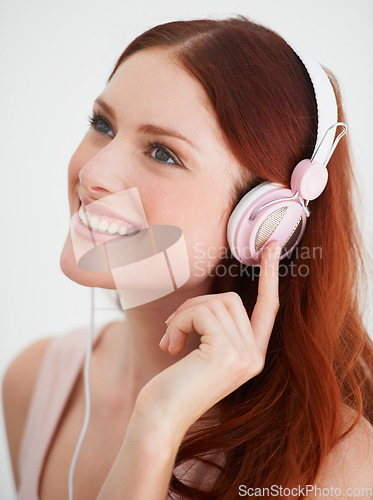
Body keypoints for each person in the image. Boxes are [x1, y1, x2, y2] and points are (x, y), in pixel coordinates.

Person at [2, 15, 373, 500]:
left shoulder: (336, 466)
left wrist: (158, 420)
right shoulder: (34, 382)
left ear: (263, 221)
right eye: (102, 125)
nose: (93, 173)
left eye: (162, 153)